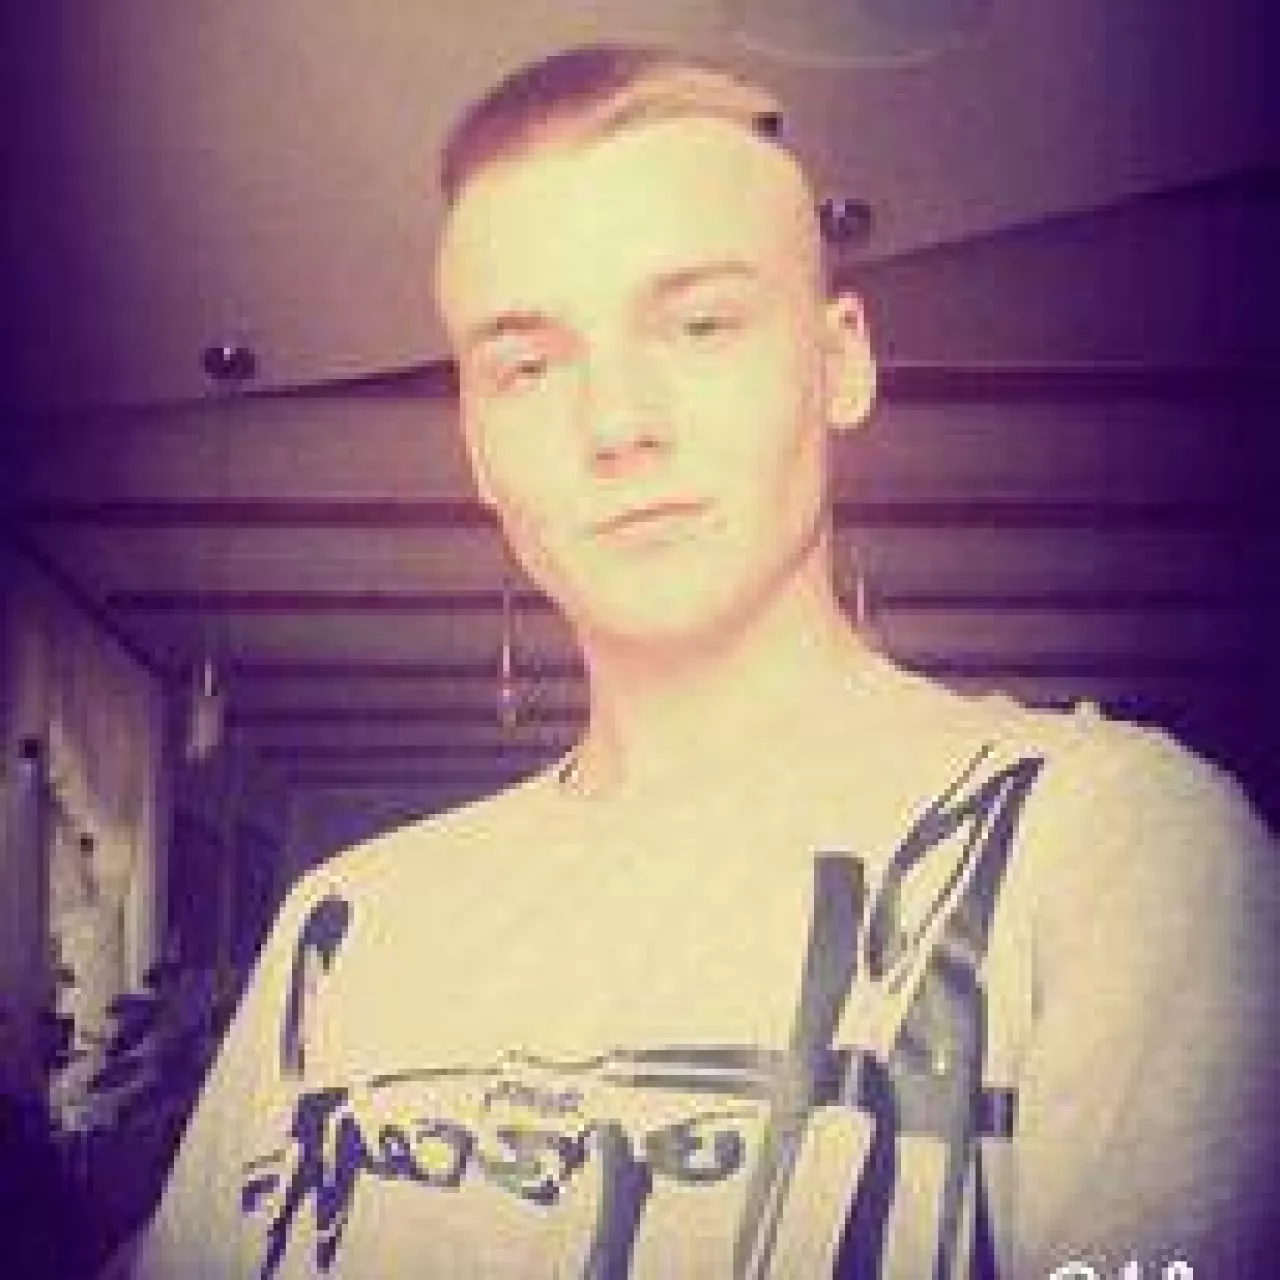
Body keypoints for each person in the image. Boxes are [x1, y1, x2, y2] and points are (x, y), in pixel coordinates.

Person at [129, 44, 1278, 1278]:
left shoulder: (1105, 849)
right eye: (527, 365)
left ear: (838, 362)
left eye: (700, 324)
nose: (617, 423)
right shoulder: (346, 929)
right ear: (475, 444)